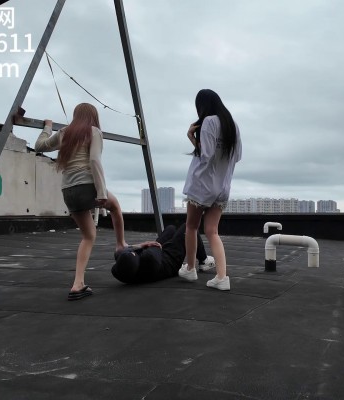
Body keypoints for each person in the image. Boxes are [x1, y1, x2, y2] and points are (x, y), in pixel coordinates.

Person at [35, 103, 126, 301]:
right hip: (88, 186)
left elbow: (39, 146)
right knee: (115, 207)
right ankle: (120, 244)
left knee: (88, 236)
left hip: (68, 190)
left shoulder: (64, 133)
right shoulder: (94, 131)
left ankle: (78, 284)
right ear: (93, 117)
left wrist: (47, 127)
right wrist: (101, 192)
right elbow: (94, 160)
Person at [178, 89, 242, 291]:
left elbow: (206, 154)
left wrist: (191, 136)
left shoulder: (208, 122)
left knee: (191, 226)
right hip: (222, 186)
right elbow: (237, 157)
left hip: (202, 185)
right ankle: (222, 277)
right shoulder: (232, 125)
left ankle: (190, 268)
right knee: (212, 231)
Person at [111, 225, 215, 284]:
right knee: (188, 227)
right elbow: (157, 247)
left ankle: (171, 235)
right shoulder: (149, 258)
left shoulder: (119, 272)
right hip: (171, 261)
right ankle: (203, 260)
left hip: (159, 259)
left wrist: (142, 246)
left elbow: (122, 252)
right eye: (134, 253)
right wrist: (144, 245)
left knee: (170, 229)